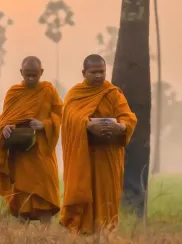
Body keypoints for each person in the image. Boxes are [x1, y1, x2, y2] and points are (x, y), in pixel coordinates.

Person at [59, 54, 137, 234]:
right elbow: (69, 118)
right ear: (84, 72)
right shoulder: (75, 94)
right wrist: (87, 125)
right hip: (85, 156)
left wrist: (120, 126)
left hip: (108, 157)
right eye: (93, 72)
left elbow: (128, 116)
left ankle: (106, 235)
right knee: (85, 196)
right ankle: (82, 233)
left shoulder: (113, 93)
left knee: (106, 199)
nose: (98, 76)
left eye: (102, 72)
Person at [0, 56, 62, 225]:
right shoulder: (13, 93)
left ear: (41, 73)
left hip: (42, 150)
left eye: (35, 75)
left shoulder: (49, 90)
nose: (31, 78)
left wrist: (43, 124)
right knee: (22, 192)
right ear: (21, 72)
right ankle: (22, 236)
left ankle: (46, 235)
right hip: (21, 152)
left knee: (45, 190)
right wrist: (5, 128)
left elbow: (59, 115)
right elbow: (5, 120)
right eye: (27, 75)